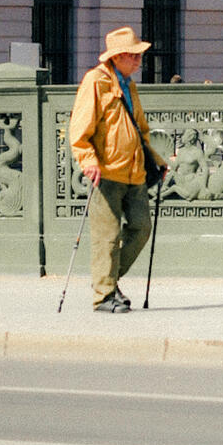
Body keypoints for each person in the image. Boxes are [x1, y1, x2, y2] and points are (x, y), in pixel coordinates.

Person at [68, 26, 166, 312]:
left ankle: (107, 280)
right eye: (133, 56)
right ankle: (104, 295)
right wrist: (88, 160)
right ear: (118, 56)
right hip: (107, 172)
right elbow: (79, 129)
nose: (138, 61)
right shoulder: (96, 82)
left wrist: (155, 159)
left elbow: (139, 129)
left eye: (138, 56)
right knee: (107, 236)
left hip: (134, 172)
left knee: (141, 228)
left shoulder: (129, 84)